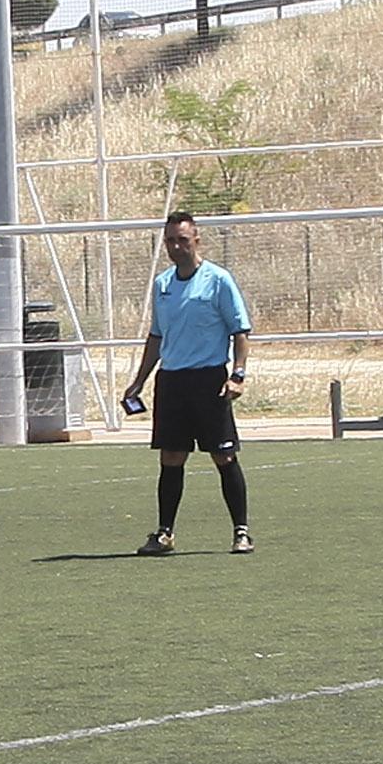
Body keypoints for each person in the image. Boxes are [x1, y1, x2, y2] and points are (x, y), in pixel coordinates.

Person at [118, 210, 256, 556]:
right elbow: (156, 336)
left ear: (197, 240)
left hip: (209, 380)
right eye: (170, 241)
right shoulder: (162, 284)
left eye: (182, 239)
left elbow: (240, 330)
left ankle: (241, 531)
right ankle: (164, 534)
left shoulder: (218, 280)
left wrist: (238, 374)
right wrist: (138, 382)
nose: (176, 246)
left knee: (223, 456)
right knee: (171, 457)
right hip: (173, 383)